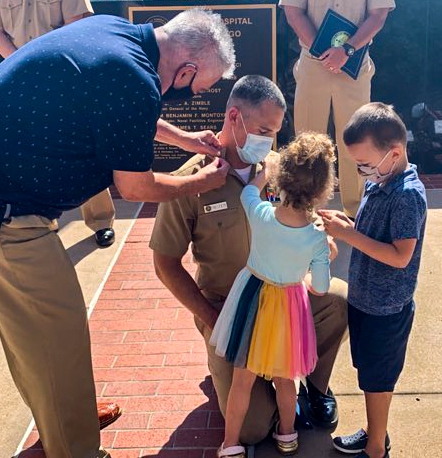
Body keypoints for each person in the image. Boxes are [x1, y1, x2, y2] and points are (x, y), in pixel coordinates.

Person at [0, 9, 235, 458]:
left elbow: (124, 110)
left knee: (32, 329)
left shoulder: (115, 35)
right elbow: (135, 187)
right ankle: (75, 446)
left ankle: (68, 414)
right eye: (199, 87)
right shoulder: (135, 79)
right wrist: (199, 182)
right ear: (185, 70)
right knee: (55, 332)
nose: (192, 95)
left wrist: (183, 139)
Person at [150, 75, 348, 447]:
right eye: (261, 129)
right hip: (227, 308)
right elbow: (165, 264)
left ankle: (314, 389)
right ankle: (258, 383)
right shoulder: (191, 181)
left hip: (282, 299)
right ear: (234, 117)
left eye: (274, 132)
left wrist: (321, 241)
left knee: (338, 301)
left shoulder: (280, 171)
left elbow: (310, 219)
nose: (268, 141)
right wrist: (214, 321)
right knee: (252, 431)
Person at [211, 132, 337, 458]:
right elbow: (320, 288)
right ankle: (287, 435)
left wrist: (266, 169)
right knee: (285, 381)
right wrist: (314, 266)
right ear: (322, 189)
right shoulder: (316, 238)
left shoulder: (263, 215)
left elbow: (248, 194)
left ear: (283, 178)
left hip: (253, 299)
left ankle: (230, 445)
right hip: (289, 308)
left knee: (242, 381)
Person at [318, 103, 427, 458]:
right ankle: (374, 431)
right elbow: (371, 232)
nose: (362, 171)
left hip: (386, 307)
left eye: (365, 164)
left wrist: (348, 236)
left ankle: (376, 448)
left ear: (394, 153)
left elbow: (400, 256)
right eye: (356, 164)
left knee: (378, 379)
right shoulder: (379, 181)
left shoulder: (407, 195)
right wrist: (348, 225)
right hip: (366, 299)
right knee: (368, 372)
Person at [0, 0, 121, 247]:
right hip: (19, 76)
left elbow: (76, 26)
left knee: (83, 148)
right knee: (32, 151)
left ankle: (101, 220)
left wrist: (46, 65)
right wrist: (21, 65)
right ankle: (42, 220)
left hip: (63, 73)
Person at [280, 0, 395, 218]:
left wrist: (346, 51)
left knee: (358, 138)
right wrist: (324, 52)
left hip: (354, 64)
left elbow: (378, 15)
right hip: (314, 63)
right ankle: (304, 209)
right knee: (307, 140)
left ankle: (356, 212)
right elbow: (293, 12)